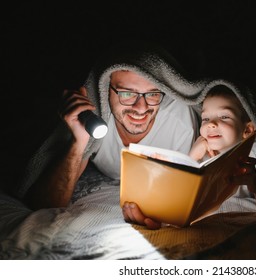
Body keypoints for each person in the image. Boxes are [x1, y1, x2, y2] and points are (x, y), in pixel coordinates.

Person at [19, 42, 203, 229]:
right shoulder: (97, 119)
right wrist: (78, 142)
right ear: (106, 90)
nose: (141, 108)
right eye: (127, 94)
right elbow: (45, 205)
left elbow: (182, 194)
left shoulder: (181, 125)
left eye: (152, 94)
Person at [188, 85, 256, 214]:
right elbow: (178, 194)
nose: (211, 124)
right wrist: (191, 158)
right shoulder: (200, 150)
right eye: (205, 118)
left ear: (248, 130)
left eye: (224, 117)